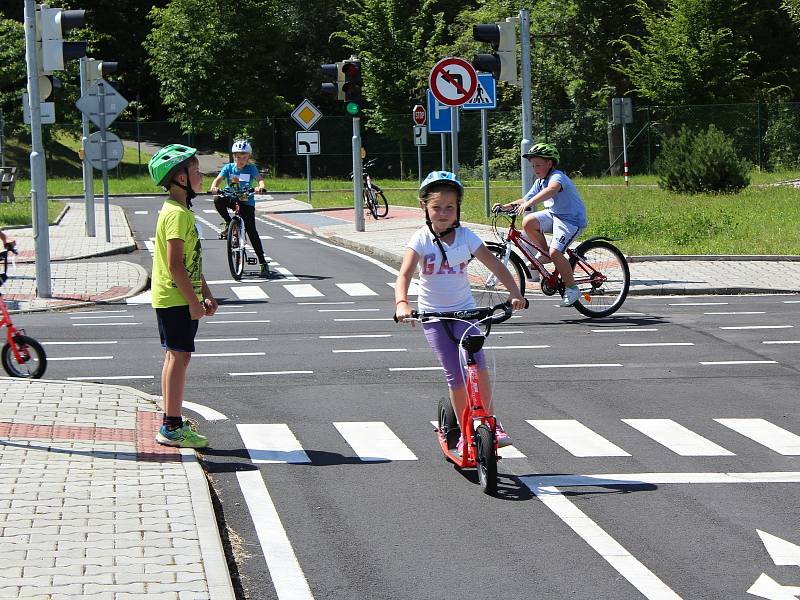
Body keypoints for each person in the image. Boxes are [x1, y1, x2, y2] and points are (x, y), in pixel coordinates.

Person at [395, 171, 526, 452]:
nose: (443, 213)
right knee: (455, 374)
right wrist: (402, 304)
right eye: (436, 207)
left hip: (465, 313)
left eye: (449, 207)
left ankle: (491, 422)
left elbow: (497, 266)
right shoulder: (420, 239)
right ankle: (466, 431)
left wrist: (515, 293)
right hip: (434, 316)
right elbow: (404, 275)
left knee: (477, 366)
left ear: (458, 209)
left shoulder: (466, 237)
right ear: (424, 208)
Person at [148, 144, 218, 448]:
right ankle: (172, 427)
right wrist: (193, 302)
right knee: (178, 357)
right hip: (175, 299)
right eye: (195, 171)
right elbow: (175, 264)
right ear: (180, 178)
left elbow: (189, 263)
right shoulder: (177, 216)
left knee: (176, 356)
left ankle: (170, 420)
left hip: (173, 297)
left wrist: (206, 292)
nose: (201, 176)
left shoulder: (178, 211)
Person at [497, 142, 587, 307]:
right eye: (532, 165)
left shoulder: (557, 177)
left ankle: (572, 288)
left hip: (571, 220)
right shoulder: (540, 181)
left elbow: (552, 190)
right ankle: (544, 253)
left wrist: (530, 202)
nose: (535, 168)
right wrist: (505, 206)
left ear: (550, 163)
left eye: (538, 164)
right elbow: (525, 200)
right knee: (528, 222)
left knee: (556, 252)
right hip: (554, 215)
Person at [210, 139, 269, 277]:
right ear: (234, 157)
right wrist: (214, 186)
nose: (241, 160)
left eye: (244, 157)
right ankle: (228, 221)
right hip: (231, 197)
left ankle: (262, 262)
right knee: (218, 199)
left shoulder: (251, 168)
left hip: (246, 201)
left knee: (251, 231)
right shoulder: (229, 168)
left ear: (248, 157)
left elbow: (259, 178)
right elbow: (218, 179)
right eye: (238, 157)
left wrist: (261, 186)